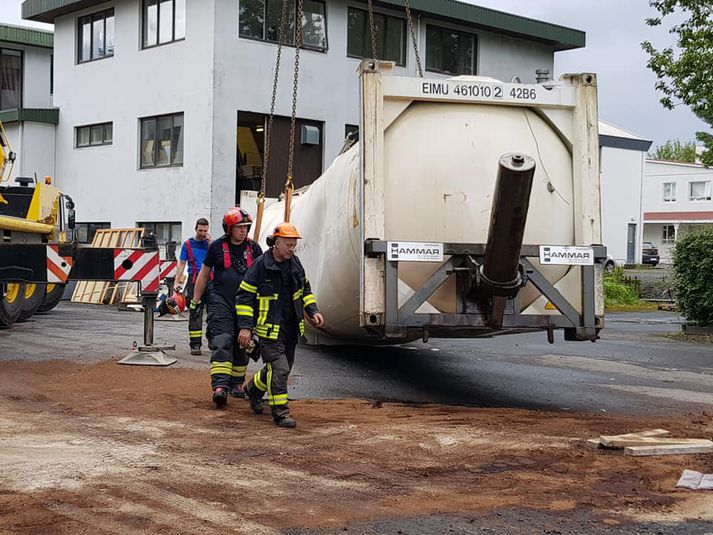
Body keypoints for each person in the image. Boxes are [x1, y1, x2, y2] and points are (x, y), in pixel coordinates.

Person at [237, 222, 325, 428]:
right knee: (280, 369)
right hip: (268, 329)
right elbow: (244, 297)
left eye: (294, 245)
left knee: (276, 370)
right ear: (276, 243)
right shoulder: (260, 266)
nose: (292, 249)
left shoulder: (295, 264)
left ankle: (253, 390)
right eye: (288, 244)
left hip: (291, 328)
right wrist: (245, 327)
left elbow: (305, 290)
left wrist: (313, 311)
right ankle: (280, 412)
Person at [191, 208, 263, 408]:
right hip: (220, 300)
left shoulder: (254, 249)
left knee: (242, 343)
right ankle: (220, 387)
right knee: (222, 340)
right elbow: (204, 275)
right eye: (239, 227)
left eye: (245, 227)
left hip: (246, 305)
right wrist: (196, 301)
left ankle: (236, 384)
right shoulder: (216, 248)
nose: (243, 231)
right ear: (229, 229)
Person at [174, 218, 212, 356]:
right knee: (195, 313)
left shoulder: (211, 244)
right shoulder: (188, 244)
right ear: (196, 229)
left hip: (211, 281)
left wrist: (211, 244)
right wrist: (177, 282)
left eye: (205, 231)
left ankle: (213, 338)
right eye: (200, 230)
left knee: (215, 312)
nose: (203, 233)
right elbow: (182, 264)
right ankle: (195, 345)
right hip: (194, 281)